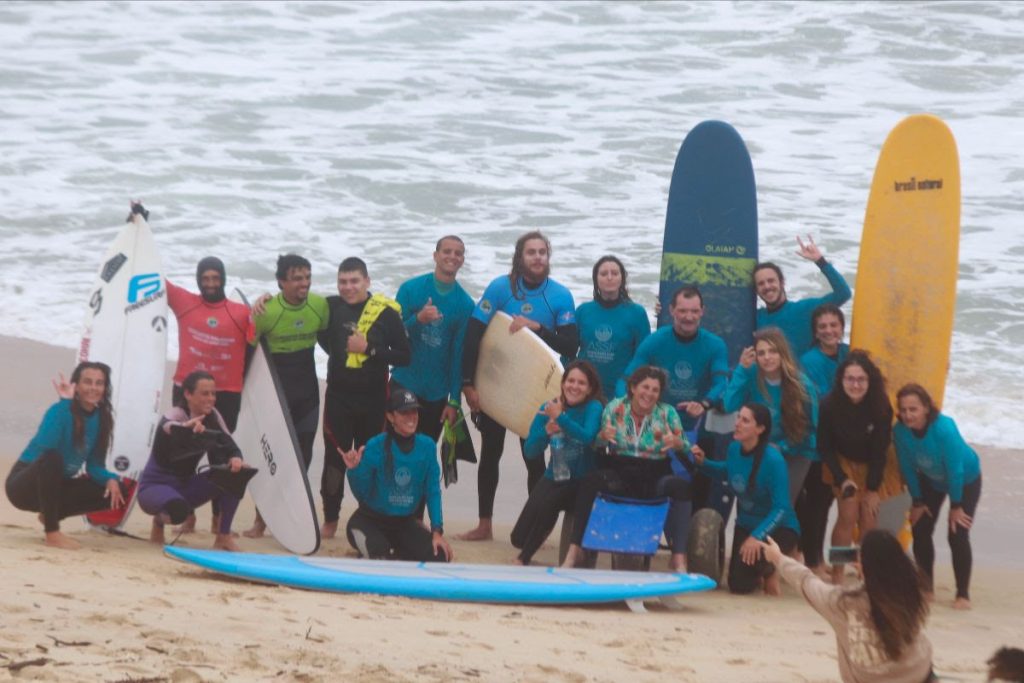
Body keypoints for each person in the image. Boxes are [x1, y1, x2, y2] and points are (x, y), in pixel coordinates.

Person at [459, 231, 578, 541]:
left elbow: (571, 345)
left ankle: (531, 528)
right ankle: (484, 524)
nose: (537, 257)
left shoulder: (560, 296)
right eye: (531, 252)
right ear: (520, 257)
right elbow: (474, 334)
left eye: (542, 252)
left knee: (534, 456)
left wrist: (537, 328)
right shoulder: (501, 288)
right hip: (496, 383)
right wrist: (468, 383)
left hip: (535, 390)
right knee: (491, 453)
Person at [561, 366, 693, 572]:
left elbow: (685, 445)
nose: (649, 394)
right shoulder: (615, 408)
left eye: (655, 390)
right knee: (589, 482)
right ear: (632, 387)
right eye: (645, 387)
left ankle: (678, 556)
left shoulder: (667, 413)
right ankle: (575, 548)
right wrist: (602, 437)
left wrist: (676, 442)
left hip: (655, 474)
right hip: (621, 472)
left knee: (681, 488)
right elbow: (597, 443)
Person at [318, 257, 411, 539]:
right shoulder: (331, 308)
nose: (348, 287)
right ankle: (331, 521)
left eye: (354, 281)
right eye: (343, 282)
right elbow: (323, 338)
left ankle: (368, 519)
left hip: (373, 402)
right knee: (335, 462)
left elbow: (404, 356)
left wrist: (368, 349)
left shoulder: (385, 313)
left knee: (372, 462)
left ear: (367, 282)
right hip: (338, 399)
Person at [765, 529, 935, 683]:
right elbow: (879, 591)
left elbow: (806, 581)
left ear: (862, 564)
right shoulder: (912, 592)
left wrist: (778, 558)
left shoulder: (842, 603)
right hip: (920, 672)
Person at [166, 255, 255, 535]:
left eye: (216, 279)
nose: (211, 284)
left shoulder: (240, 313)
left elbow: (259, 339)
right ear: (198, 280)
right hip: (186, 392)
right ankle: (187, 514)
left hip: (226, 394)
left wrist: (264, 305)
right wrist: (138, 226)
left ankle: (218, 520)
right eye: (205, 279)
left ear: (224, 280)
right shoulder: (185, 303)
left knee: (220, 455)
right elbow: (157, 280)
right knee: (185, 455)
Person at [246, 254, 330, 538]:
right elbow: (249, 354)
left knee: (301, 459)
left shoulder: (319, 306)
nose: (303, 283)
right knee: (271, 456)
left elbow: (334, 339)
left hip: (307, 394)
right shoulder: (267, 312)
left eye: (307, 277)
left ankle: (290, 515)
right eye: (296, 278)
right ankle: (261, 519)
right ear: (281, 282)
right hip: (275, 395)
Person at [6, 362, 126, 550]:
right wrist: (65, 403)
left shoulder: (102, 419)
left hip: (55, 487)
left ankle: (50, 515)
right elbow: (46, 446)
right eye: (87, 382)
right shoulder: (59, 410)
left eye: (99, 383)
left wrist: (111, 479)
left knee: (117, 490)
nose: (93, 388)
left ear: (105, 388)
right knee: (53, 458)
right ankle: (52, 533)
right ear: (76, 386)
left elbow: (94, 465)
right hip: (24, 486)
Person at [694, 403, 800, 595]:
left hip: (778, 529)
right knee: (738, 585)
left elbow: (781, 508)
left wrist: (757, 536)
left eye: (745, 420)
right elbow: (726, 472)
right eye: (738, 418)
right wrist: (703, 462)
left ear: (760, 429)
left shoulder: (774, 460)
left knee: (751, 569)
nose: (737, 424)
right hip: (746, 525)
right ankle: (762, 570)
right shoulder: (734, 448)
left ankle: (772, 569)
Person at [137, 371, 248, 551]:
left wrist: (236, 458)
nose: (211, 399)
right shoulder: (176, 415)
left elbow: (230, 445)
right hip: (154, 488)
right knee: (177, 510)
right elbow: (167, 426)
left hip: (185, 487)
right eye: (205, 393)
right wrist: (184, 429)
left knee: (236, 474)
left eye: (213, 394)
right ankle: (159, 521)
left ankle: (223, 536)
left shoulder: (213, 416)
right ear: (188, 394)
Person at [894, 383, 982, 610]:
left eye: (913, 409)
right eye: (903, 410)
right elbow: (906, 467)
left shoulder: (944, 428)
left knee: (957, 532)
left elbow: (956, 470)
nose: (907, 415)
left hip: (965, 479)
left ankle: (963, 594)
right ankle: (926, 588)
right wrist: (917, 502)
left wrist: (956, 505)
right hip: (932, 480)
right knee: (920, 527)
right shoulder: (900, 431)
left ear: (926, 408)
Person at [818, 351, 903, 583]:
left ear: (870, 381)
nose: (855, 384)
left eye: (861, 379)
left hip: (873, 464)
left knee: (868, 517)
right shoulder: (828, 405)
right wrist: (842, 478)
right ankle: (838, 571)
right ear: (841, 380)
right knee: (847, 515)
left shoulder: (881, 406)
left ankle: (865, 570)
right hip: (842, 461)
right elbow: (824, 447)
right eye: (850, 379)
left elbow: (880, 450)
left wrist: (873, 489)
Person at [342, 389, 453, 562]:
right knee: (381, 556)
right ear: (391, 416)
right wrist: (354, 470)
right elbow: (362, 494)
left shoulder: (427, 447)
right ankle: (384, 553)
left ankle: (395, 553)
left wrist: (436, 532)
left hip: (404, 523)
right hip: (369, 521)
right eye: (404, 412)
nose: (411, 417)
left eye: (414, 411)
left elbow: (432, 491)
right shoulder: (375, 446)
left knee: (439, 556)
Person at [512, 361, 604, 565]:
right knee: (517, 538)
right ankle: (535, 537)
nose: (575, 386)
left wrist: (561, 419)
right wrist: (546, 432)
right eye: (570, 381)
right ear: (563, 384)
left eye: (582, 383)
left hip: (582, 480)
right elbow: (530, 450)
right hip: (554, 475)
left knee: (551, 501)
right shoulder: (548, 408)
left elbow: (588, 437)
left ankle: (524, 558)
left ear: (590, 389)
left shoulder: (593, 407)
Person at [391, 236, 475, 442]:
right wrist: (418, 319)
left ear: (463, 260)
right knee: (393, 451)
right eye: (447, 251)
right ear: (435, 255)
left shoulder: (465, 304)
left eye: (458, 253)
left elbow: (458, 355)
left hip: (437, 393)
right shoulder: (410, 289)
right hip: (404, 382)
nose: (452, 257)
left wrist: (454, 400)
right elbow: (392, 336)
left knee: (424, 454)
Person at [723, 327, 818, 504]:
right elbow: (729, 405)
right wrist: (741, 370)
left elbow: (810, 429)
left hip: (796, 450)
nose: (767, 357)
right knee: (752, 502)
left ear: (783, 353)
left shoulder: (801, 385)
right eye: (761, 353)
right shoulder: (751, 375)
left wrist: (781, 447)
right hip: (761, 448)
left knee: (779, 505)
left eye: (773, 351)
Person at [754, 235, 851, 356]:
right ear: (756, 290)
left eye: (771, 281)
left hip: (804, 373)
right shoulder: (755, 318)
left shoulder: (806, 309)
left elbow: (843, 293)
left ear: (782, 282)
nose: (767, 286)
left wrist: (820, 261)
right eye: (761, 284)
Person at [575, 256, 650, 397]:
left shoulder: (637, 313)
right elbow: (570, 352)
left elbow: (644, 356)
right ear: (596, 279)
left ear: (622, 278)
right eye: (603, 274)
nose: (609, 278)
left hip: (622, 391)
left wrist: (631, 385)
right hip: (585, 389)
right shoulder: (583, 311)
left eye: (615, 273)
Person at [800, 303, 850, 399]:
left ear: (842, 328)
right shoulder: (808, 361)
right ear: (816, 333)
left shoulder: (849, 352)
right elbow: (821, 398)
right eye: (822, 327)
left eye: (833, 325)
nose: (828, 331)